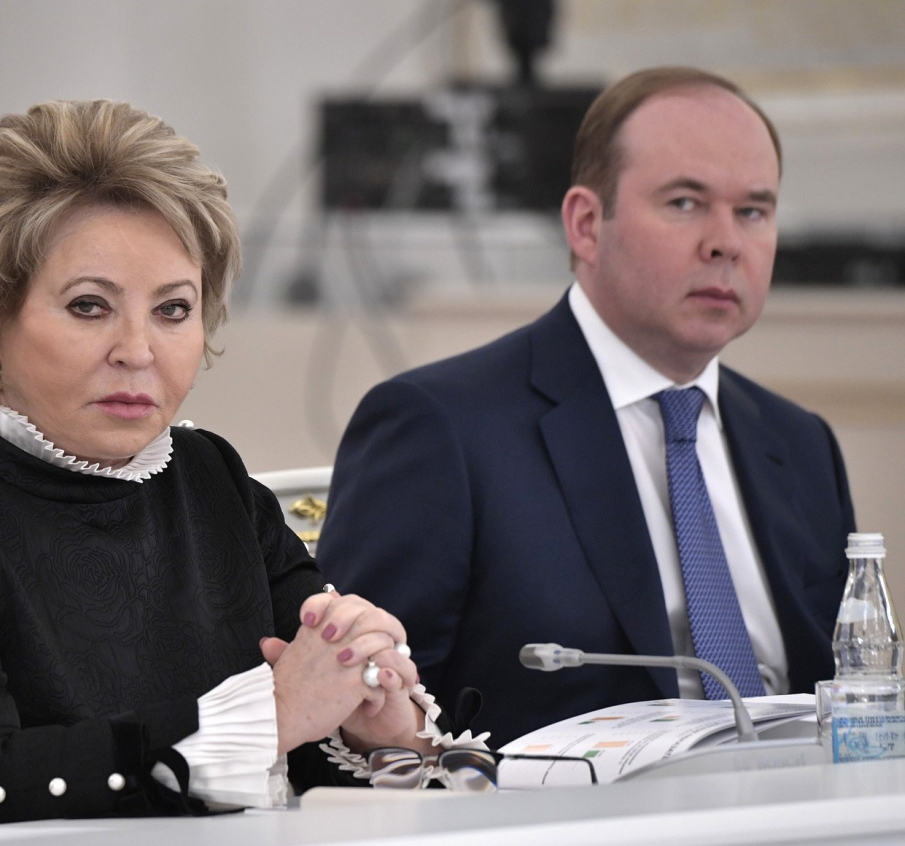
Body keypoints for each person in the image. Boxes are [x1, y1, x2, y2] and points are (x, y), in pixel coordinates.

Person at [0, 100, 486, 840]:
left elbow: (296, 759)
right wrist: (275, 713)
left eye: (173, 310)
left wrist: (377, 726)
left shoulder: (209, 476)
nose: (137, 350)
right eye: (89, 306)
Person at [318, 67, 856, 745]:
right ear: (585, 224)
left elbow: (854, 690)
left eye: (752, 211)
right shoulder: (439, 427)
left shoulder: (801, 445)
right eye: (685, 203)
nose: (726, 242)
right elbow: (348, 722)